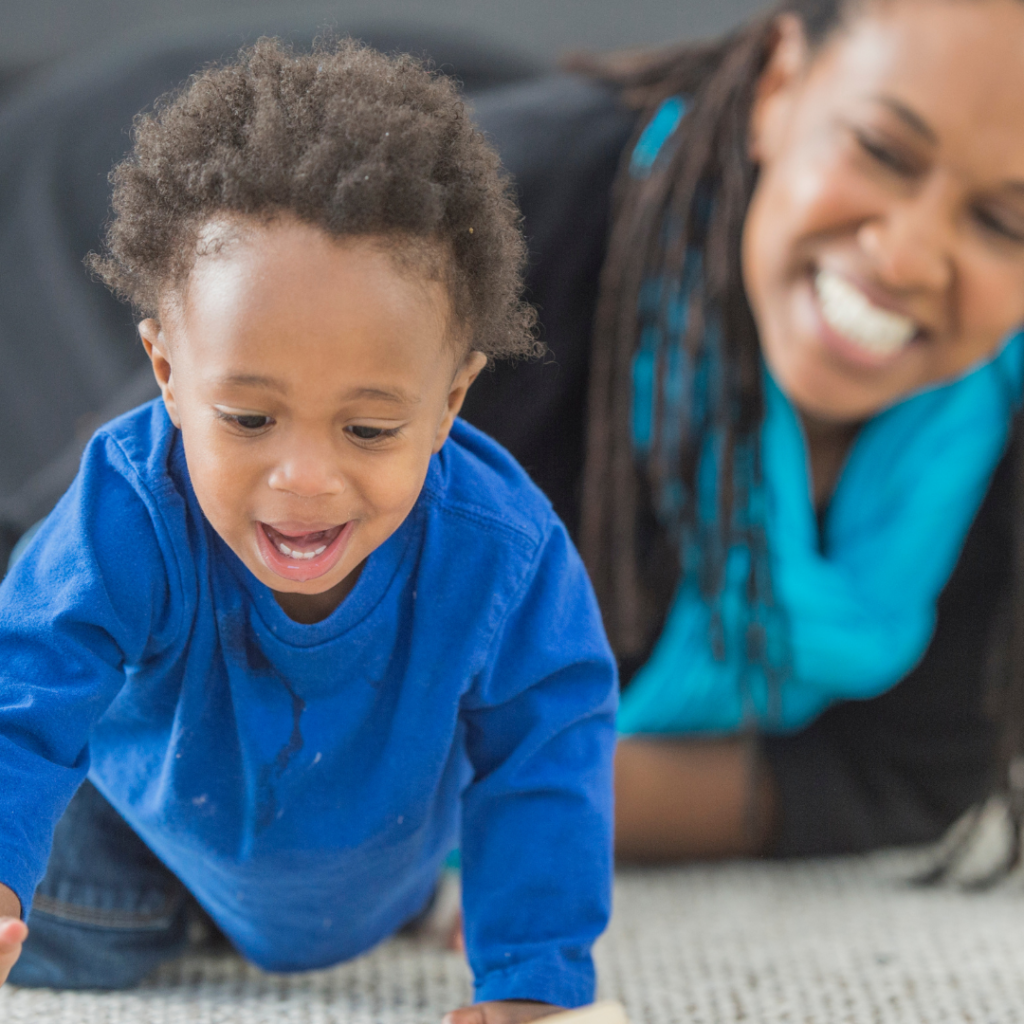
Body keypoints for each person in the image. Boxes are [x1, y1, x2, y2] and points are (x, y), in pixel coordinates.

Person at [0, 39, 617, 1017]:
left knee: (479, 840)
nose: (303, 479)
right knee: (92, 923)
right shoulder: (130, 504)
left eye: (369, 429)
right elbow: (25, 692)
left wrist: (535, 983)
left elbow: (549, 747)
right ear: (166, 373)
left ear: (450, 400)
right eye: (248, 419)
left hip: (368, 864)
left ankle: (424, 900)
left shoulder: (503, 555)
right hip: (141, 843)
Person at [460, 0, 1024, 864]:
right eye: (879, 151)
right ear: (779, 85)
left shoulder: (999, 419)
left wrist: (477, 807)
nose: (907, 256)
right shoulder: (473, 245)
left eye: (1004, 223)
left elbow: (901, 775)